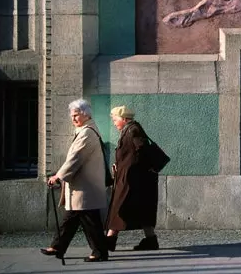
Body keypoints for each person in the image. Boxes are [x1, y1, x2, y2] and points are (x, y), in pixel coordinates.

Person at [40, 99, 109, 262]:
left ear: (85, 115)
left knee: (88, 221)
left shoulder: (86, 133)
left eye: (76, 115)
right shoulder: (85, 130)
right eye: (72, 116)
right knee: (74, 218)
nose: (73, 119)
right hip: (83, 186)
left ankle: (99, 252)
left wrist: (58, 176)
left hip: (85, 186)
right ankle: (58, 247)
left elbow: (75, 158)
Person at [105, 106, 159, 251]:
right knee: (141, 210)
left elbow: (141, 150)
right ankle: (151, 240)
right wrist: (119, 165)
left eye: (115, 120)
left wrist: (128, 169)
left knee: (119, 207)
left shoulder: (133, 130)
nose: (114, 123)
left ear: (124, 119)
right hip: (133, 178)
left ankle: (110, 240)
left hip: (130, 179)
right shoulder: (130, 129)